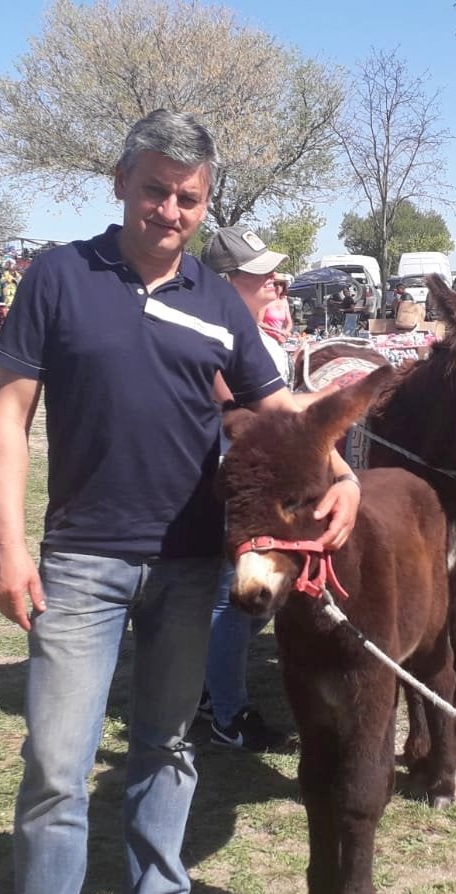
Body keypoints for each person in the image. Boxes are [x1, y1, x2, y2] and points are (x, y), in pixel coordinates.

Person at [0, 109, 361, 894]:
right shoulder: (58, 276)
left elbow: (277, 408)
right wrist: (9, 547)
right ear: (121, 184)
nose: (171, 212)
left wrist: (344, 474)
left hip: (191, 563)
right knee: (57, 766)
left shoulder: (218, 299)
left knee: (167, 744)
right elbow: (9, 415)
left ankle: (159, 889)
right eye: (155, 191)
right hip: (81, 560)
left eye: (189, 199)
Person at [197, 224, 295, 752]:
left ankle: (211, 694)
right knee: (237, 603)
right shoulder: (227, 340)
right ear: (227, 281)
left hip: (247, 490)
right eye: (262, 275)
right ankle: (226, 712)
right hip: (234, 492)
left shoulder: (255, 338)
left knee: (240, 601)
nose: (275, 284)